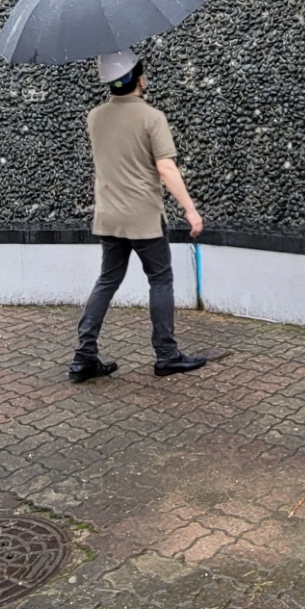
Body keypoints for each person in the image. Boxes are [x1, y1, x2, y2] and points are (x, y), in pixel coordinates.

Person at [71, 49, 212, 381]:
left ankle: (83, 356)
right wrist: (191, 210)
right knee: (160, 280)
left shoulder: (95, 117)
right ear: (140, 79)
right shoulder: (152, 117)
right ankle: (166, 355)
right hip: (144, 218)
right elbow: (166, 168)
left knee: (107, 280)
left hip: (108, 216)